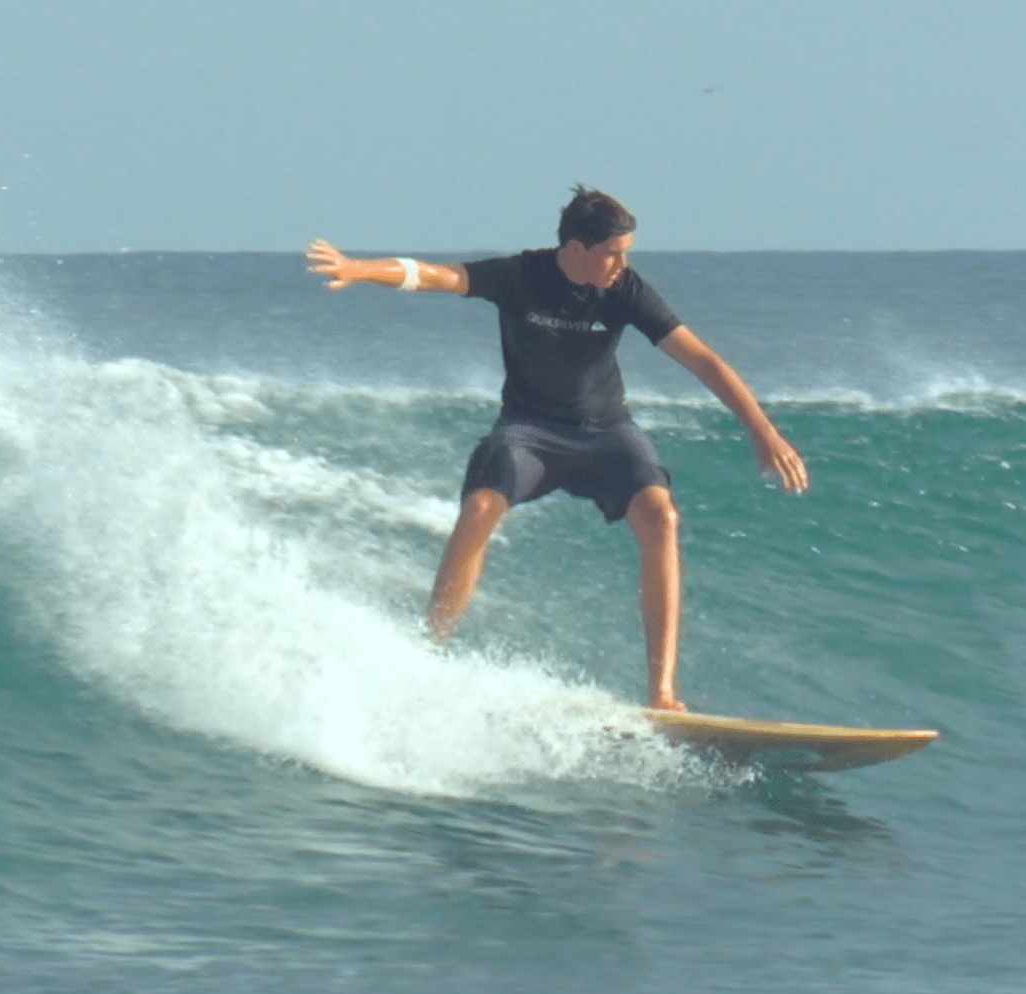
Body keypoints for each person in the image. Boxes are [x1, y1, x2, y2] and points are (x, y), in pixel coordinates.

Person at [307, 186, 809, 712]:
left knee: (661, 515)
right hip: (530, 432)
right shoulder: (520, 276)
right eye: (613, 252)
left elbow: (703, 359)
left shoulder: (626, 290)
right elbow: (436, 276)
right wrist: (359, 269)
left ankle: (662, 694)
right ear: (575, 247)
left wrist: (763, 431)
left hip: (605, 433)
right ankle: (428, 657)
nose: (623, 263)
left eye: (627, 251)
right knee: (480, 506)